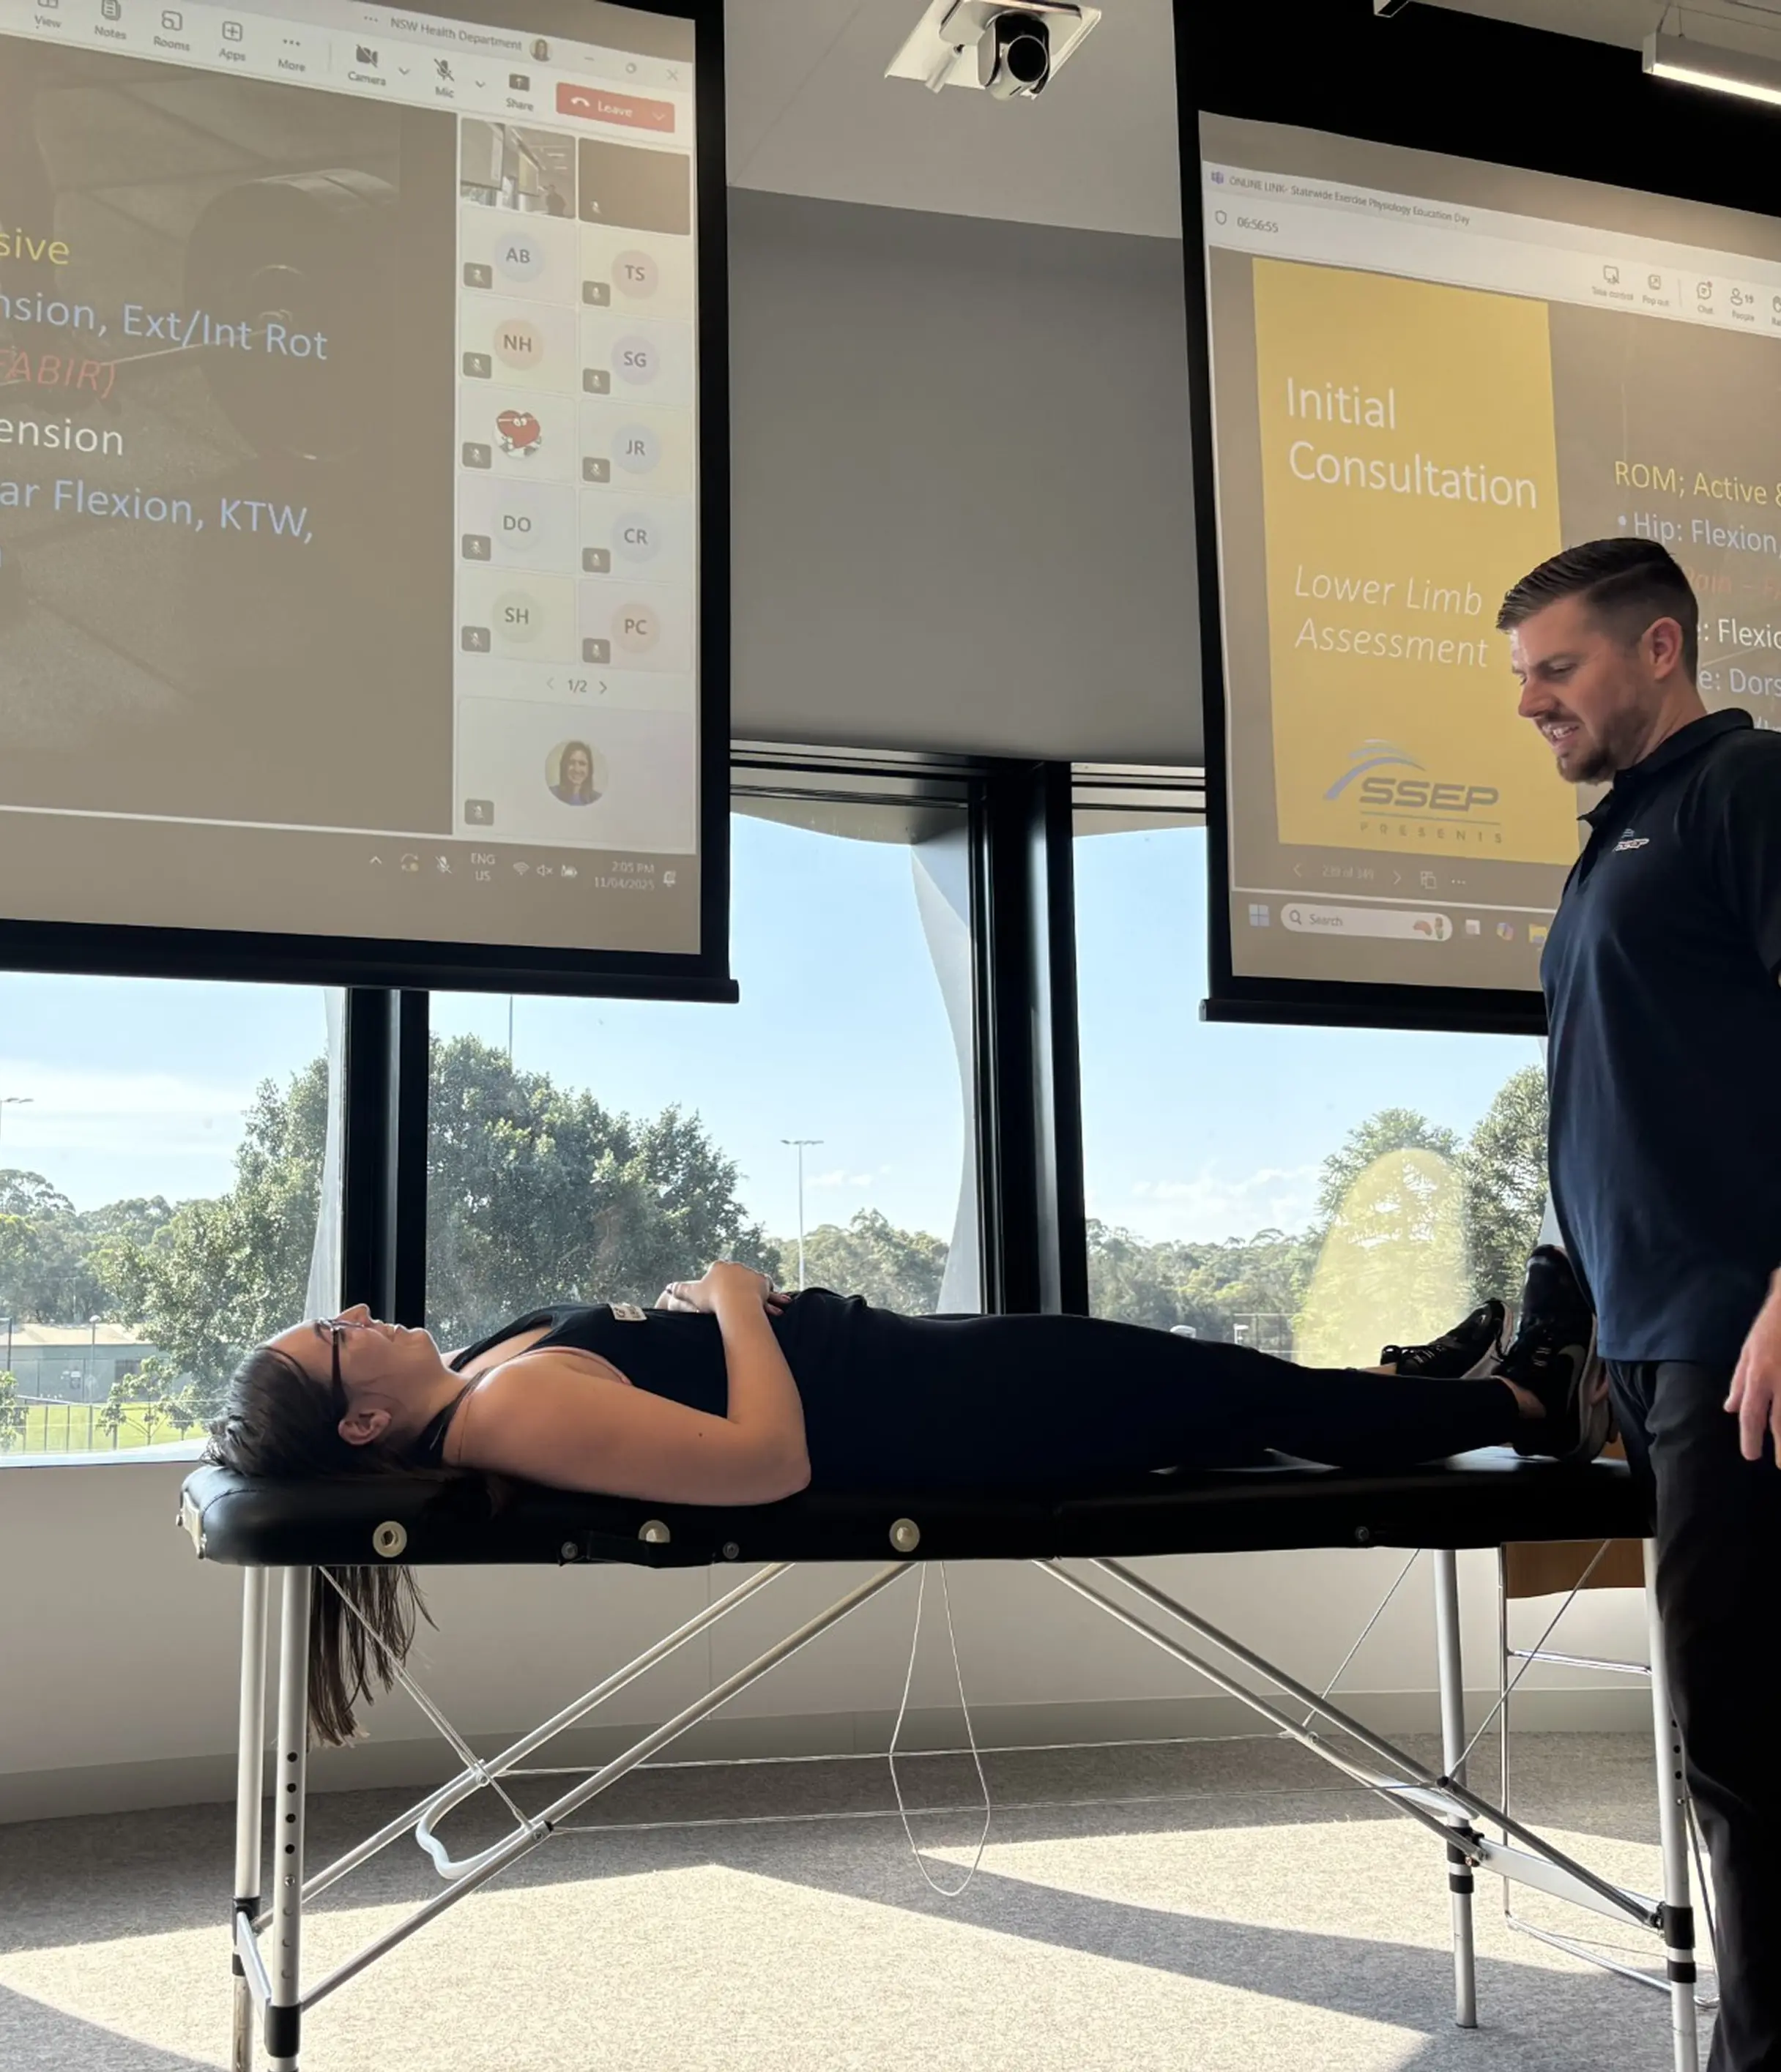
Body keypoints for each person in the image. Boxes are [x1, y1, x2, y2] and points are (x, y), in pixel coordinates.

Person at [207, 1261, 1601, 1743]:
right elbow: (766, 1467)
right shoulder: (504, 1409)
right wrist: (743, 1306)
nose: (353, 1312)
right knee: (1211, 1395)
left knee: (1209, 1384)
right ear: (366, 1418)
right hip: (942, 1420)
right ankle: (1526, 1405)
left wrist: (709, 1313)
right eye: (332, 1338)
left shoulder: (487, 1374)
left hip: (918, 1379)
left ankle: (1431, 1388)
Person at [1499, 535, 1781, 2072]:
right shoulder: (1615, 840)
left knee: (1755, 1750)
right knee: (1735, 1745)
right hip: (1657, 1346)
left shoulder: (1745, 792)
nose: (1531, 702)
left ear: (1658, 647)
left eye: (1559, 668)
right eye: (1524, 676)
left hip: (1747, 1343)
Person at [551, 741, 599, 805]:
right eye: (572, 763)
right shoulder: (552, 794)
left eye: (582, 764)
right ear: (564, 766)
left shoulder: (597, 799)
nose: (577, 769)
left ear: (589, 769)